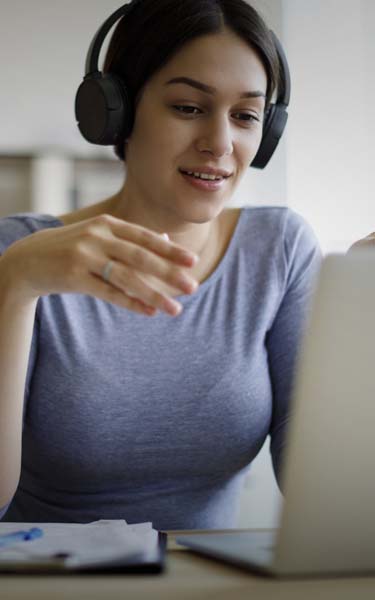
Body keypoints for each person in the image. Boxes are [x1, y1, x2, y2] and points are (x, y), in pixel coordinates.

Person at [0, 0, 323, 530]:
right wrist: (14, 286)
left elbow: (318, 487)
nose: (220, 144)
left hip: (211, 586)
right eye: (188, 108)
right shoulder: (20, 253)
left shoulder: (280, 249)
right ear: (115, 113)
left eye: (245, 116)